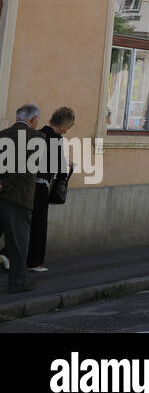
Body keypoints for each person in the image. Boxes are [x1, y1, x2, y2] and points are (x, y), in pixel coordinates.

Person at [28, 107, 75, 273]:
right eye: (68, 128)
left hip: (27, 185)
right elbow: (59, 168)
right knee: (39, 225)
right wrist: (67, 165)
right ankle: (34, 262)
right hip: (41, 186)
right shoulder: (55, 139)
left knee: (26, 223)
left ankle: (9, 254)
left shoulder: (37, 133)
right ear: (63, 126)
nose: (67, 132)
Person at [0, 104, 42, 293]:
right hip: (18, 197)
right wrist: (6, 184)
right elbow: (25, 169)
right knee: (18, 244)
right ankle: (17, 283)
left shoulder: (2, 135)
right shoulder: (37, 138)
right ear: (33, 120)